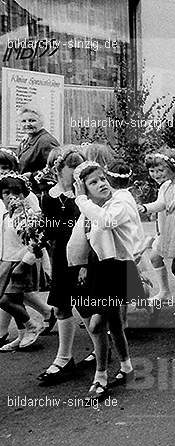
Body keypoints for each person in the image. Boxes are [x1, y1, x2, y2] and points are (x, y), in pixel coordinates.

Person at [71, 160, 146, 399]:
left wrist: (81, 199)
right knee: (113, 323)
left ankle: (100, 377)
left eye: (102, 179)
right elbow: (89, 240)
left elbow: (106, 222)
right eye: (93, 182)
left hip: (118, 269)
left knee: (96, 325)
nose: (102, 184)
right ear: (84, 187)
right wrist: (84, 267)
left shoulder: (121, 201)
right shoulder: (99, 207)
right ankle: (127, 367)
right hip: (104, 268)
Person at [36, 146, 93, 383]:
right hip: (60, 257)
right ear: (59, 169)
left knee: (87, 307)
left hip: (82, 258)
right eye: (73, 167)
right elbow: (49, 231)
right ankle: (64, 357)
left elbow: (91, 227)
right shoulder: (49, 196)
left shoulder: (84, 196)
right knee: (61, 306)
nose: (77, 172)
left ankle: (101, 348)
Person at [137, 150, 175, 315]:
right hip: (169, 231)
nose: (156, 174)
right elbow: (161, 204)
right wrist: (144, 208)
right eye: (152, 171)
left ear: (172, 167)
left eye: (160, 170)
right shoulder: (166, 186)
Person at [0, 173, 46, 352]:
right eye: (5, 193)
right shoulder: (5, 214)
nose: (11, 197)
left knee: (6, 300)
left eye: (16, 192)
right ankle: (21, 335)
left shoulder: (26, 214)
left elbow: (36, 242)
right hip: (7, 260)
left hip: (21, 263)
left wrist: (26, 262)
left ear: (24, 194)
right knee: (16, 299)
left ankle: (33, 325)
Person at [16, 106, 59, 175]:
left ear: (41, 122)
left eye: (32, 120)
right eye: (24, 121)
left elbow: (56, 167)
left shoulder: (46, 141)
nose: (27, 124)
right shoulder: (26, 140)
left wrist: (32, 176)